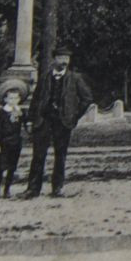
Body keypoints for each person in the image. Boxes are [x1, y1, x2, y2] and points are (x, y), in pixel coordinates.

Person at [23, 49, 93, 198]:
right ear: (54, 59)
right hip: (43, 120)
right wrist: (30, 119)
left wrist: (74, 116)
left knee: (60, 156)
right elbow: (35, 100)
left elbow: (87, 98)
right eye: (61, 57)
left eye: (67, 58)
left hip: (63, 123)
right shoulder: (45, 78)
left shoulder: (75, 78)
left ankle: (57, 188)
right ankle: (33, 189)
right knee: (38, 155)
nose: (64, 61)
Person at [0, 86, 25, 198]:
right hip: (4, 143)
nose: (13, 101)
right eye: (10, 98)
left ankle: (7, 190)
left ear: (19, 99)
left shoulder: (20, 112)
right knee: (1, 167)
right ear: (5, 99)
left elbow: (26, 123)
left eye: (15, 98)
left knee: (12, 167)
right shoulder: (2, 113)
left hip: (15, 143)